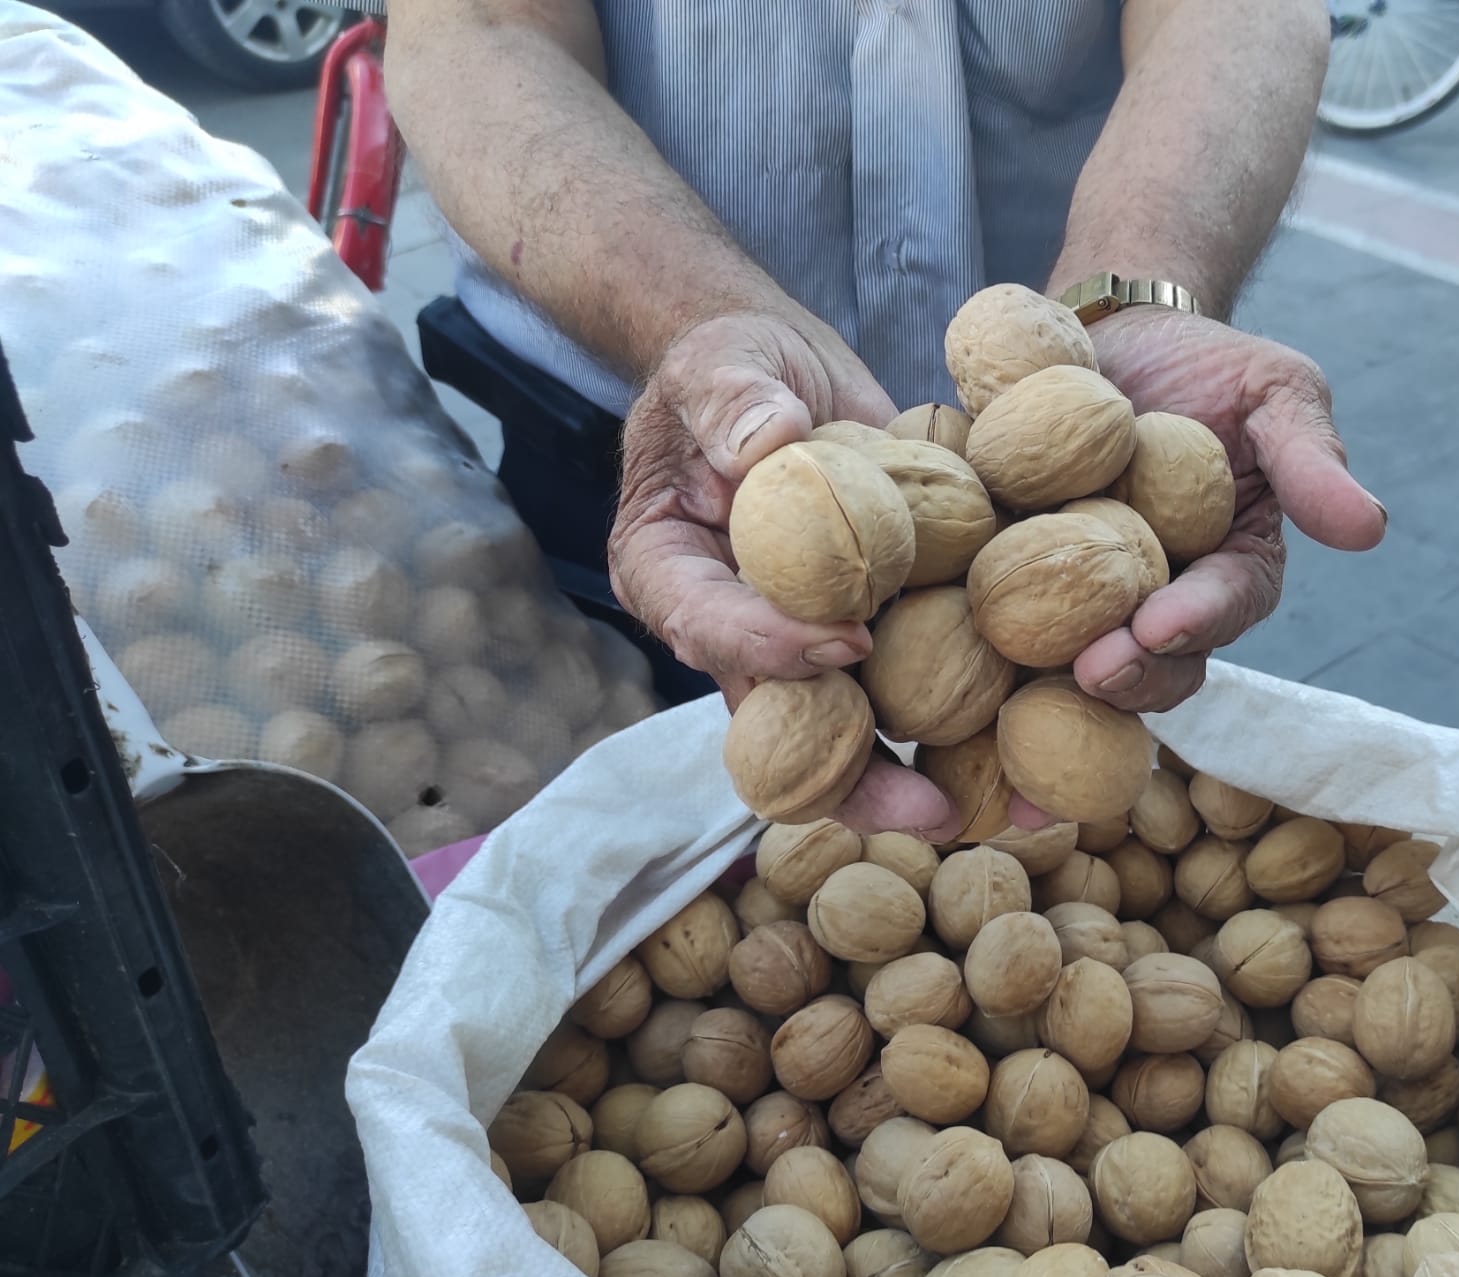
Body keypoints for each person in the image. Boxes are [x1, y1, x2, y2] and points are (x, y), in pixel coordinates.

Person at [385, 0, 1387, 839]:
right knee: (613, 850)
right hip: (669, 453)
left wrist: (1132, 292)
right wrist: (697, 326)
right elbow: (477, 27)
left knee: (1057, 813)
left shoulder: (1087, 460)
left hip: (1097, 437)